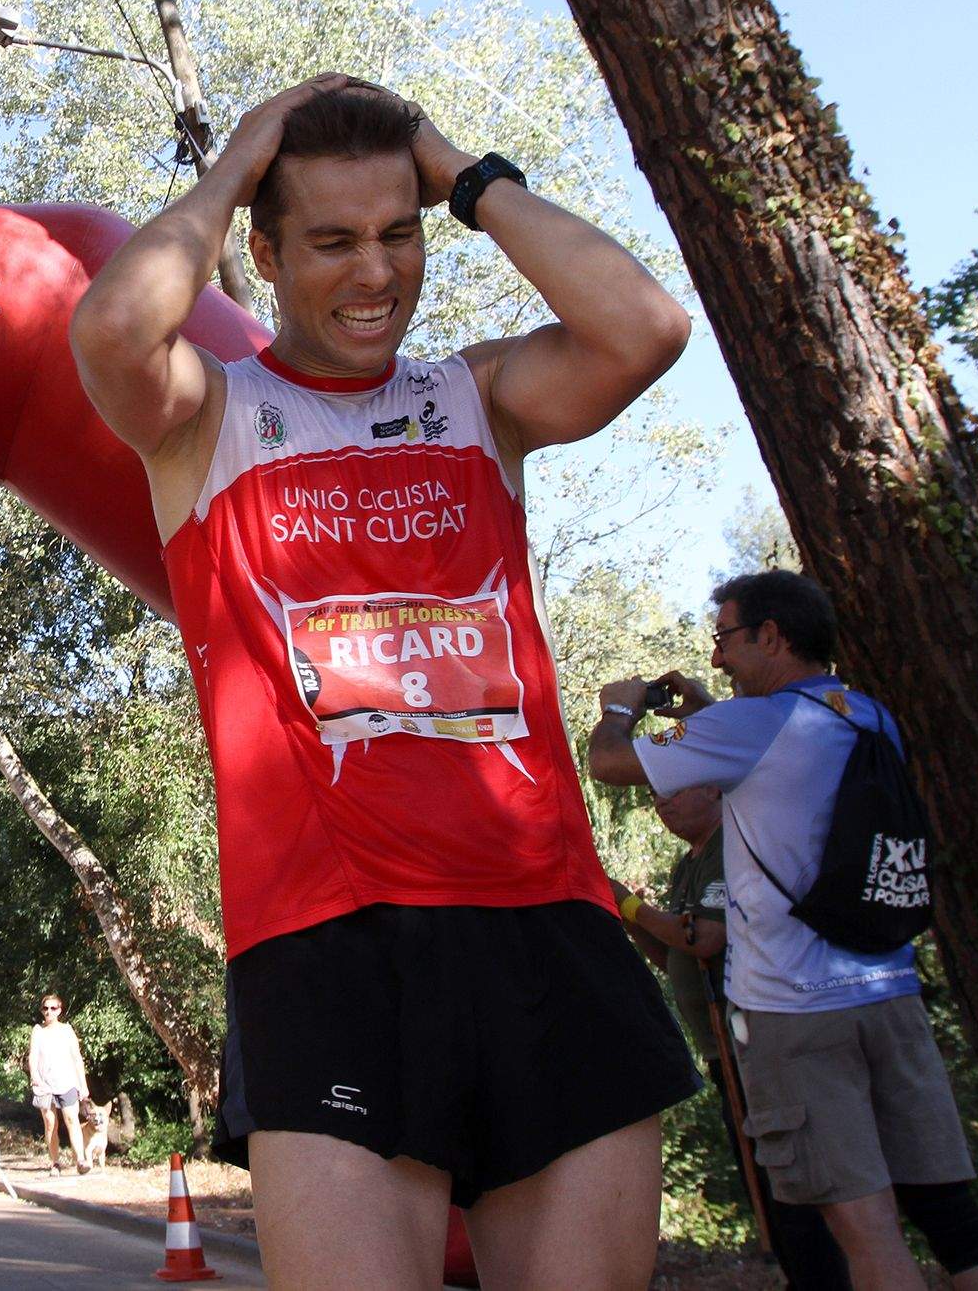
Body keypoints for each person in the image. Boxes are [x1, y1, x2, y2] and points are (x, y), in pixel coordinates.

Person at [69, 76, 700, 1287]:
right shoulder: (207, 415)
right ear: (262, 248)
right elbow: (107, 330)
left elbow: (645, 328)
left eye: (396, 234)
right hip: (328, 942)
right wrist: (239, 155)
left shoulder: (477, 397)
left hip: (547, 921)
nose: (376, 273)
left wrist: (457, 169)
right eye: (332, 241)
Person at [592, 570, 978, 1291]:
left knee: (867, 1232)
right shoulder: (867, 714)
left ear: (772, 634)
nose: (719, 658)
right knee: (953, 1216)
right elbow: (780, 764)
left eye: (725, 638)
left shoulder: (751, 727)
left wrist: (620, 708)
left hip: (795, 1012)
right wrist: (707, 707)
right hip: (888, 990)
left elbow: (609, 764)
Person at [609, 783, 850, 1288]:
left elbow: (707, 939)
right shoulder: (686, 864)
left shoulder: (730, 847)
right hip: (724, 1055)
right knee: (762, 1180)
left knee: (789, 1183)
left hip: (758, 1045)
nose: (661, 802)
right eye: (654, 793)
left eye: (673, 790)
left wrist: (632, 907)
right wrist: (634, 925)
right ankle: (802, 1275)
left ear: (714, 789)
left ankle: (826, 1277)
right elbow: (678, 955)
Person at [25, 994, 91, 1176]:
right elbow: (33, 1056)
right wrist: (35, 1076)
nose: (49, 1012)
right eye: (45, 1008)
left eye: (53, 1008)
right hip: (45, 1085)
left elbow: (77, 1058)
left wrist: (82, 1085)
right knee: (50, 1124)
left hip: (67, 1082)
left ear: (59, 1010)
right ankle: (55, 1163)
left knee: (72, 1120)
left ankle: (81, 1159)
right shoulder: (38, 1031)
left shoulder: (67, 1030)